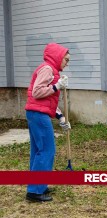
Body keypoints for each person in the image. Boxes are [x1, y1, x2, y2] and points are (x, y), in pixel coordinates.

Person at [25, 42, 71, 202]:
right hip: (38, 115)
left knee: (38, 150)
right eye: (66, 59)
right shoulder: (47, 69)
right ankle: (35, 191)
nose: (67, 63)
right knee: (47, 150)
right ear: (58, 57)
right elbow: (38, 92)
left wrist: (61, 117)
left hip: (36, 113)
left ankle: (38, 186)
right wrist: (57, 86)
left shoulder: (51, 70)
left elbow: (48, 101)